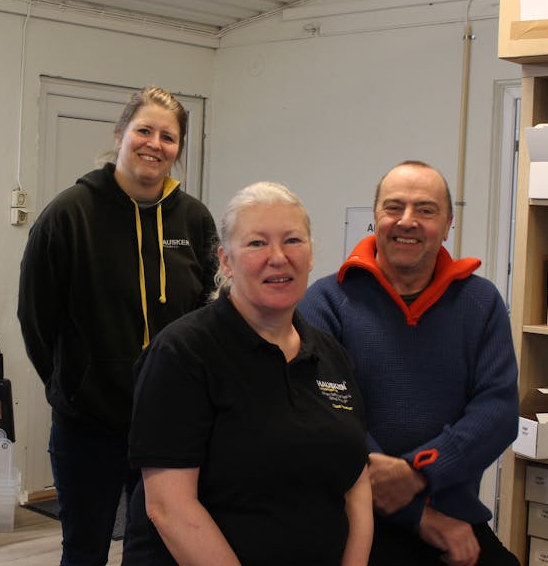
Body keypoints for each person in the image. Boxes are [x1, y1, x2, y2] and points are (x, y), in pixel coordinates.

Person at [17, 86, 218, 566]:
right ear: (120, 135)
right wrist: (71, 385)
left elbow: (210, 314)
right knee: (84, 550)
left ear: (178, 149)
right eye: (143, 130)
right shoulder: (69, 215)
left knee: (156, 552)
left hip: (172, 426)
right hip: (89, 424)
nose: (154, 144)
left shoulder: (194, 220)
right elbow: (36, 316)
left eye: (167, 137)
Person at [122, 181, 372, 566]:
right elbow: (170, 507)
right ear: (225, 261)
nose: (278, 257)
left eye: (292, 240)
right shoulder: (183, 352)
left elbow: (356, 482)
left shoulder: (330, 354)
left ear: (310, 255)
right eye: (257, 243)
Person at [299, 161, 520, 566]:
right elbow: (324, 415)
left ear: (449, 223)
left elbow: (499, 411)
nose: (407, 221)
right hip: (352, 521)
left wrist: (418, 472)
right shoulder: (326, 301)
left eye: (426, 210)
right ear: (375, 217)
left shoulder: (481, 302)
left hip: (455, 518)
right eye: (394, 207)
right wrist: (417, 516)